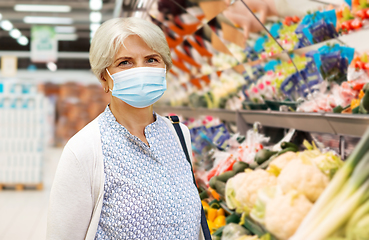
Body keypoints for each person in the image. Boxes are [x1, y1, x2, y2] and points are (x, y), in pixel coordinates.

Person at [47, 17, 206, 240]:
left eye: (152, 59)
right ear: (105, 78)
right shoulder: (84, 150)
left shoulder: (179, 136)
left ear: (165, 68)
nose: (141, 70)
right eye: (125, 62)